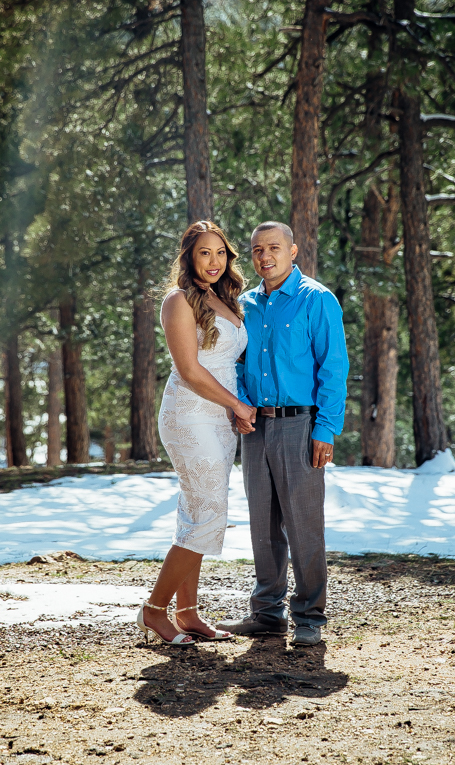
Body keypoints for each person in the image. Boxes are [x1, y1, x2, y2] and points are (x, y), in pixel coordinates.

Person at [216, 221, 349, 647]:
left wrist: (325, 429)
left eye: (274, 247)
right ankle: (267, 614)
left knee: (303, 523)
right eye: (256, 250)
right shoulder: (245, 305)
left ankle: (309, 614)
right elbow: (234, 363)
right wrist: (238, 404)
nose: (264, 256)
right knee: (263, 525)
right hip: (254, 426)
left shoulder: (317, 300)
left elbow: (333, 369)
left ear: (294, 251)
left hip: (300, 424)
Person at [137, 220, 257, 646]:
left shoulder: (224, 300)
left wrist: (236, 409)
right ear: (189, 256)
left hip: (222, 419)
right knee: (207, 513)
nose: (214, 261)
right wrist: (239, 405)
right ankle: (154, 610)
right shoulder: (177, 301)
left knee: (197, 514)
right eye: (205, 253)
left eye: (221, 253)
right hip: (189, 415)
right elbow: (189, 370)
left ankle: (187, 613)